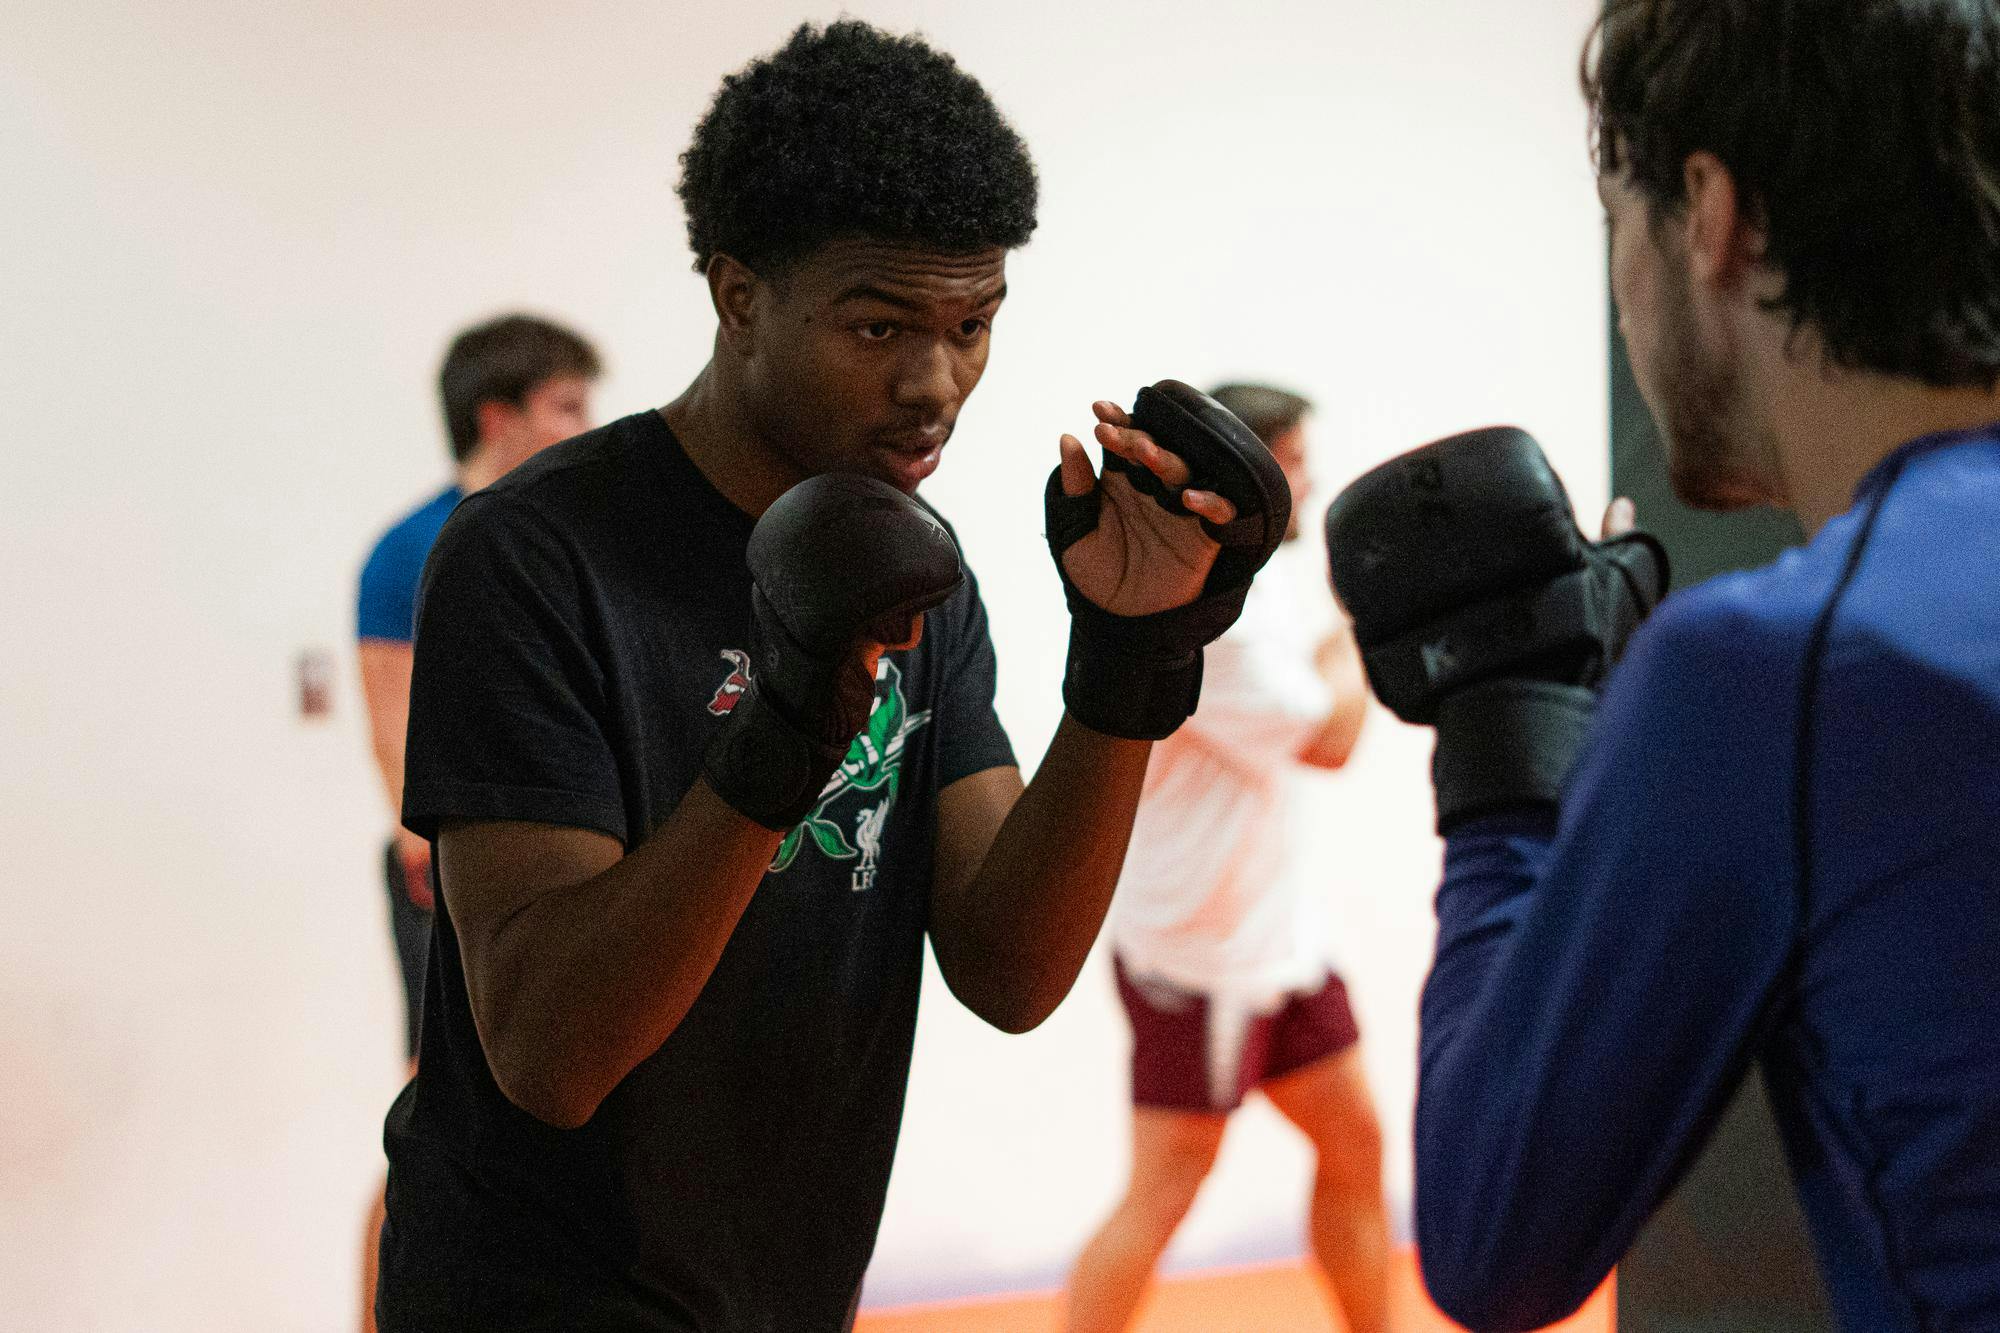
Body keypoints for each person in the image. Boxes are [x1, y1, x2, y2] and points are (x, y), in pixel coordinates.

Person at [374, 21, 1287, 1332]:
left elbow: (1010, 968)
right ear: (738, 293)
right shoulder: (533, 556)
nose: (936, 383)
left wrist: (1127, 659)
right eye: (878, 325)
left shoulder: (918, 571)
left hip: (787, 1288)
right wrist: (783, 731)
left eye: (973, 324)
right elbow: (548, 1054)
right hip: (530, 1298)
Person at [1323, 2, 2000, 1329]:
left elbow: (1491, 1242)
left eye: (1616, 222)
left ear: (1710, 213)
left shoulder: (1780, 668)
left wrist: (1505, 747)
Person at [1065, 385, 1387, 1333]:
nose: (1310, 476)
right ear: (1242, 474)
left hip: (1280, 943)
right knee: (1166, 1188)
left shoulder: (1269, 575)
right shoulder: (1218, 622)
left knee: (1356, 1145)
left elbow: (1320, 698)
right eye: (1290, 458)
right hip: (1201, 957)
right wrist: (1364, 624)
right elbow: (1331, 738)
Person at [354, 312, 599, 1330]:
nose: (591, 424)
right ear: (497, 416)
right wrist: (431, 847)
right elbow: (390, 724)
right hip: (442, 874)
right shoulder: (408, 551)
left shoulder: (571, 538)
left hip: (566, 869)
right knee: (437, 1127)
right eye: (567, 406)